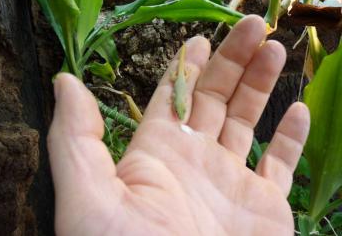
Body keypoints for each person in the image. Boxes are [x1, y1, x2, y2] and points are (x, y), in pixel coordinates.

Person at [47, 15, 310, 235]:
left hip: (182, 83)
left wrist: (180, 80)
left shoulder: (180, 102)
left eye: (179, 111)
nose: (178, 113)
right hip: (181, 84)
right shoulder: (178, 101)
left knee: (185, 70)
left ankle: (187, 57)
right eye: (179, 111)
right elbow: (178, 98)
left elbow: (179, 98)